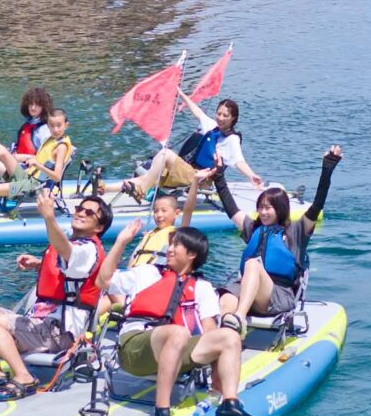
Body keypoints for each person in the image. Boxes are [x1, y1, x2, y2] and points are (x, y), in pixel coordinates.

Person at [101, 227, 264, 416]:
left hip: (176, 350)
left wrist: (216, 379)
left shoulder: (203, 288)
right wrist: (121, 242)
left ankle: (229, 403)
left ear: (192, 253)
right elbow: (103, 281)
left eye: (175, 245)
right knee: (178, 333)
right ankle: (161, 412)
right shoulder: (147, 273)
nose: (169, 249)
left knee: (229, 336)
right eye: (170, 244)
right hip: (135, 349)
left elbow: (209, 332)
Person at [0, 188, 113, 400]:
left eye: (89, 213)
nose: (81, 213)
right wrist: (39, 264)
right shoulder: (76, 243)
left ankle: (24, 376)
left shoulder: (87, 250)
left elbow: (69, 254)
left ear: (99, 227)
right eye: (79, 208)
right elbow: (68, 273)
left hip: (59, 332)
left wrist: (49, 217)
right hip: (42, 325)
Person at [213, 145, 340, 320]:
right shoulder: (253, 228)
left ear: (280, 209)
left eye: (268, 208)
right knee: (226, 298)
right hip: (247, 288)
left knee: (252, 264)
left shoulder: (296, 231)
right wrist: (219, 176)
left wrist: (327, 170)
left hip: (277, 295)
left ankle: (239, 317)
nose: (263, 212)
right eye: (260, 207)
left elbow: (317, 205)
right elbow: (231, 208)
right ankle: (225, 326)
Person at [116, 94, 259, 203]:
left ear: (233, 118)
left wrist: (251, 176)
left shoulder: (232, 139)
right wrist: (180, 93)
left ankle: (142, 190)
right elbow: (197, 111)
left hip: (201, 177)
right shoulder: (212, 126)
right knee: (150, 176)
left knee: (166, 154)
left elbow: (239, 162)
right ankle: (107, 188)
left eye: (225, 116)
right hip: (190, 170)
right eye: (219, 113)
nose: (220, 118)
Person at [109, 186, 193, 269]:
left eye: (164, 210)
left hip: (155, 273)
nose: (159, 215)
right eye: (155, 211)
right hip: (136, 272)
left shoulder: (177, 234)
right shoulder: (149, 234)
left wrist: (195, 183)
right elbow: (135, 256)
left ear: (177, 213)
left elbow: (188, 210)